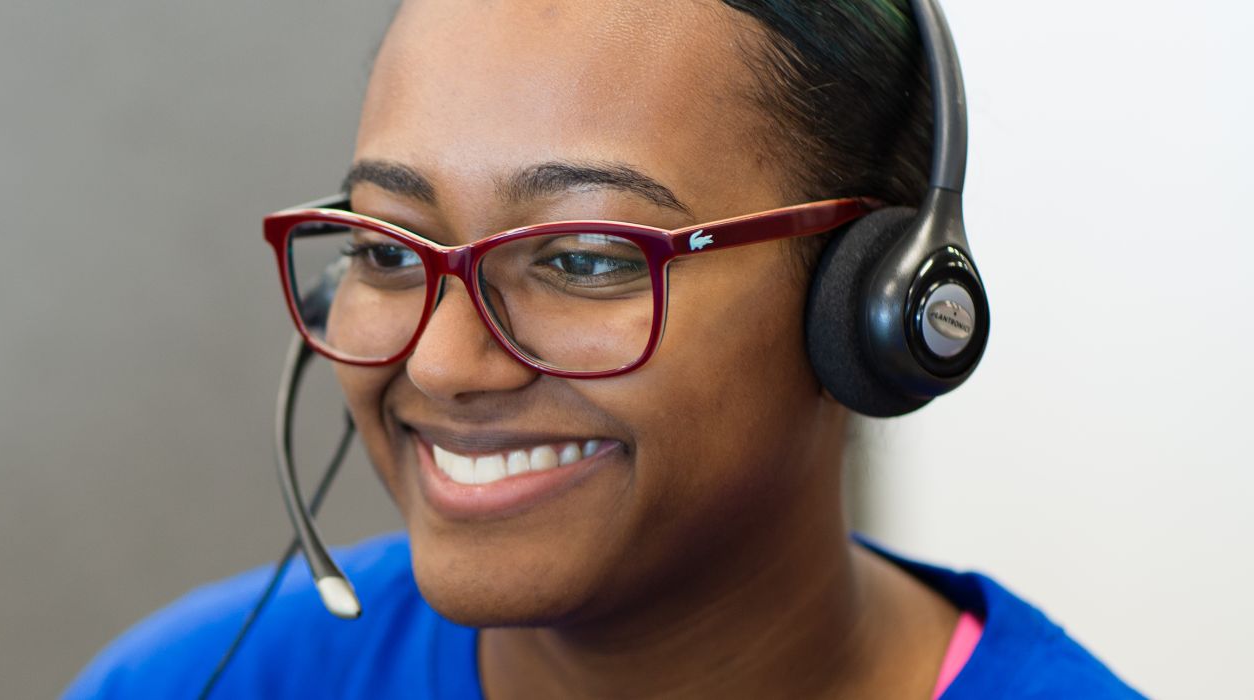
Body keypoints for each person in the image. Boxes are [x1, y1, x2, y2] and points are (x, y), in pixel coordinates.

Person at [68, 0, 1139, 697]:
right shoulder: (193, 679)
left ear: (867, 302)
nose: (441, 365)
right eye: (388, 249)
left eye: (585, 258)